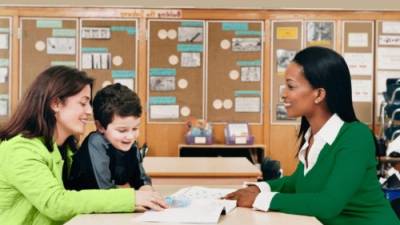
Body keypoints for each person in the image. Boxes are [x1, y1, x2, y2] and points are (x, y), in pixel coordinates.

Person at [224, 46, 399, 225]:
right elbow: (296, 183)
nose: (284, 94)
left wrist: (258, 200)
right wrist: (258, 188)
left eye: (291, 86)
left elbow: (328, 204)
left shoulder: (355, 137)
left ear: (319, 94)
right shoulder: (313, 136)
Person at [0, 66, 167, 225]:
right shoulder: (20, 150)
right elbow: (56, 203)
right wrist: (132, 199)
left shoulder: (67, 149)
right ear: (55, 104)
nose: (89, 110)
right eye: (83, 103)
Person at [67, 83, 152, 191]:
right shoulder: (96, 142)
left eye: (135, 129)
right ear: (100, 126)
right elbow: (104, 190)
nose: (130, 136)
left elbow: (140, 178)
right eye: (122, 130)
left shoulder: (129, 144)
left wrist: (146, 188)